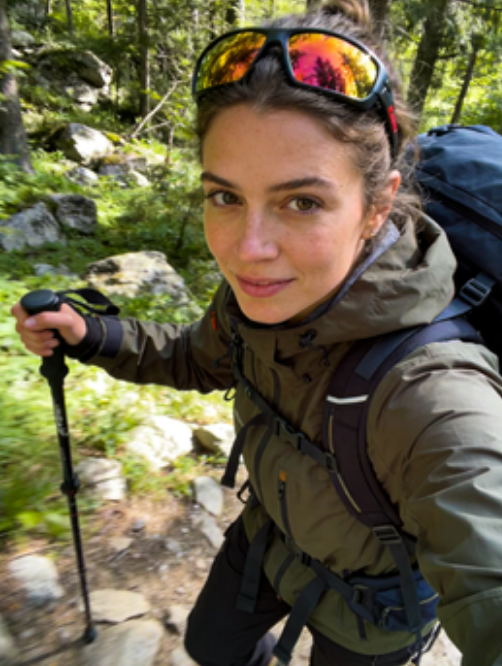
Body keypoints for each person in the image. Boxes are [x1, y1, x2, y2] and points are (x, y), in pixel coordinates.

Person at [11, 1, 502, 664]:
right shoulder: (268, 297)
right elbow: (197, 356)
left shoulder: (432, 395)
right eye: (226, 196)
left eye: (302, 202)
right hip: (267, 540)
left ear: (378, 205)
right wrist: (91, 334)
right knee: (211, 646)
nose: (248, 250)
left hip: (373, 612)